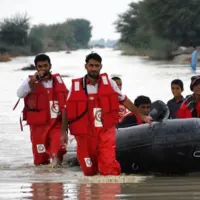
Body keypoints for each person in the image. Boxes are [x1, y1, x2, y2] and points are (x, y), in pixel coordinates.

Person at [66, 52, 152, 176]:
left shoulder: (110, 84)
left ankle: (109, 193)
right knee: (89, 171)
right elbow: (66, 110)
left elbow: (124, 100)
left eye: (96, 66)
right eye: (91, 65)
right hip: (85, 134)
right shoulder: (76, 86)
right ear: (86, 66)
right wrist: (64, 132)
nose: (94, 69)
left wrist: (142, 115)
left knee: (109, 167)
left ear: (101, 67)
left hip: (105, 130)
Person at [15, 54, 69, 167]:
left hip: (56, 124)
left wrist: (65, 129)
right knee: (40, 160)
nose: (43, 69)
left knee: (58, 149)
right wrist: (32, 81)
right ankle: (42, 181)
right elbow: (19, 94)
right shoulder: (30, 81)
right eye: (40, 66)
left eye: (45, 66)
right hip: (38, 126)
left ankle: (57, 178)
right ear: (36, 67)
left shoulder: (57, 81)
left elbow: (66, 103)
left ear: (50, 66)